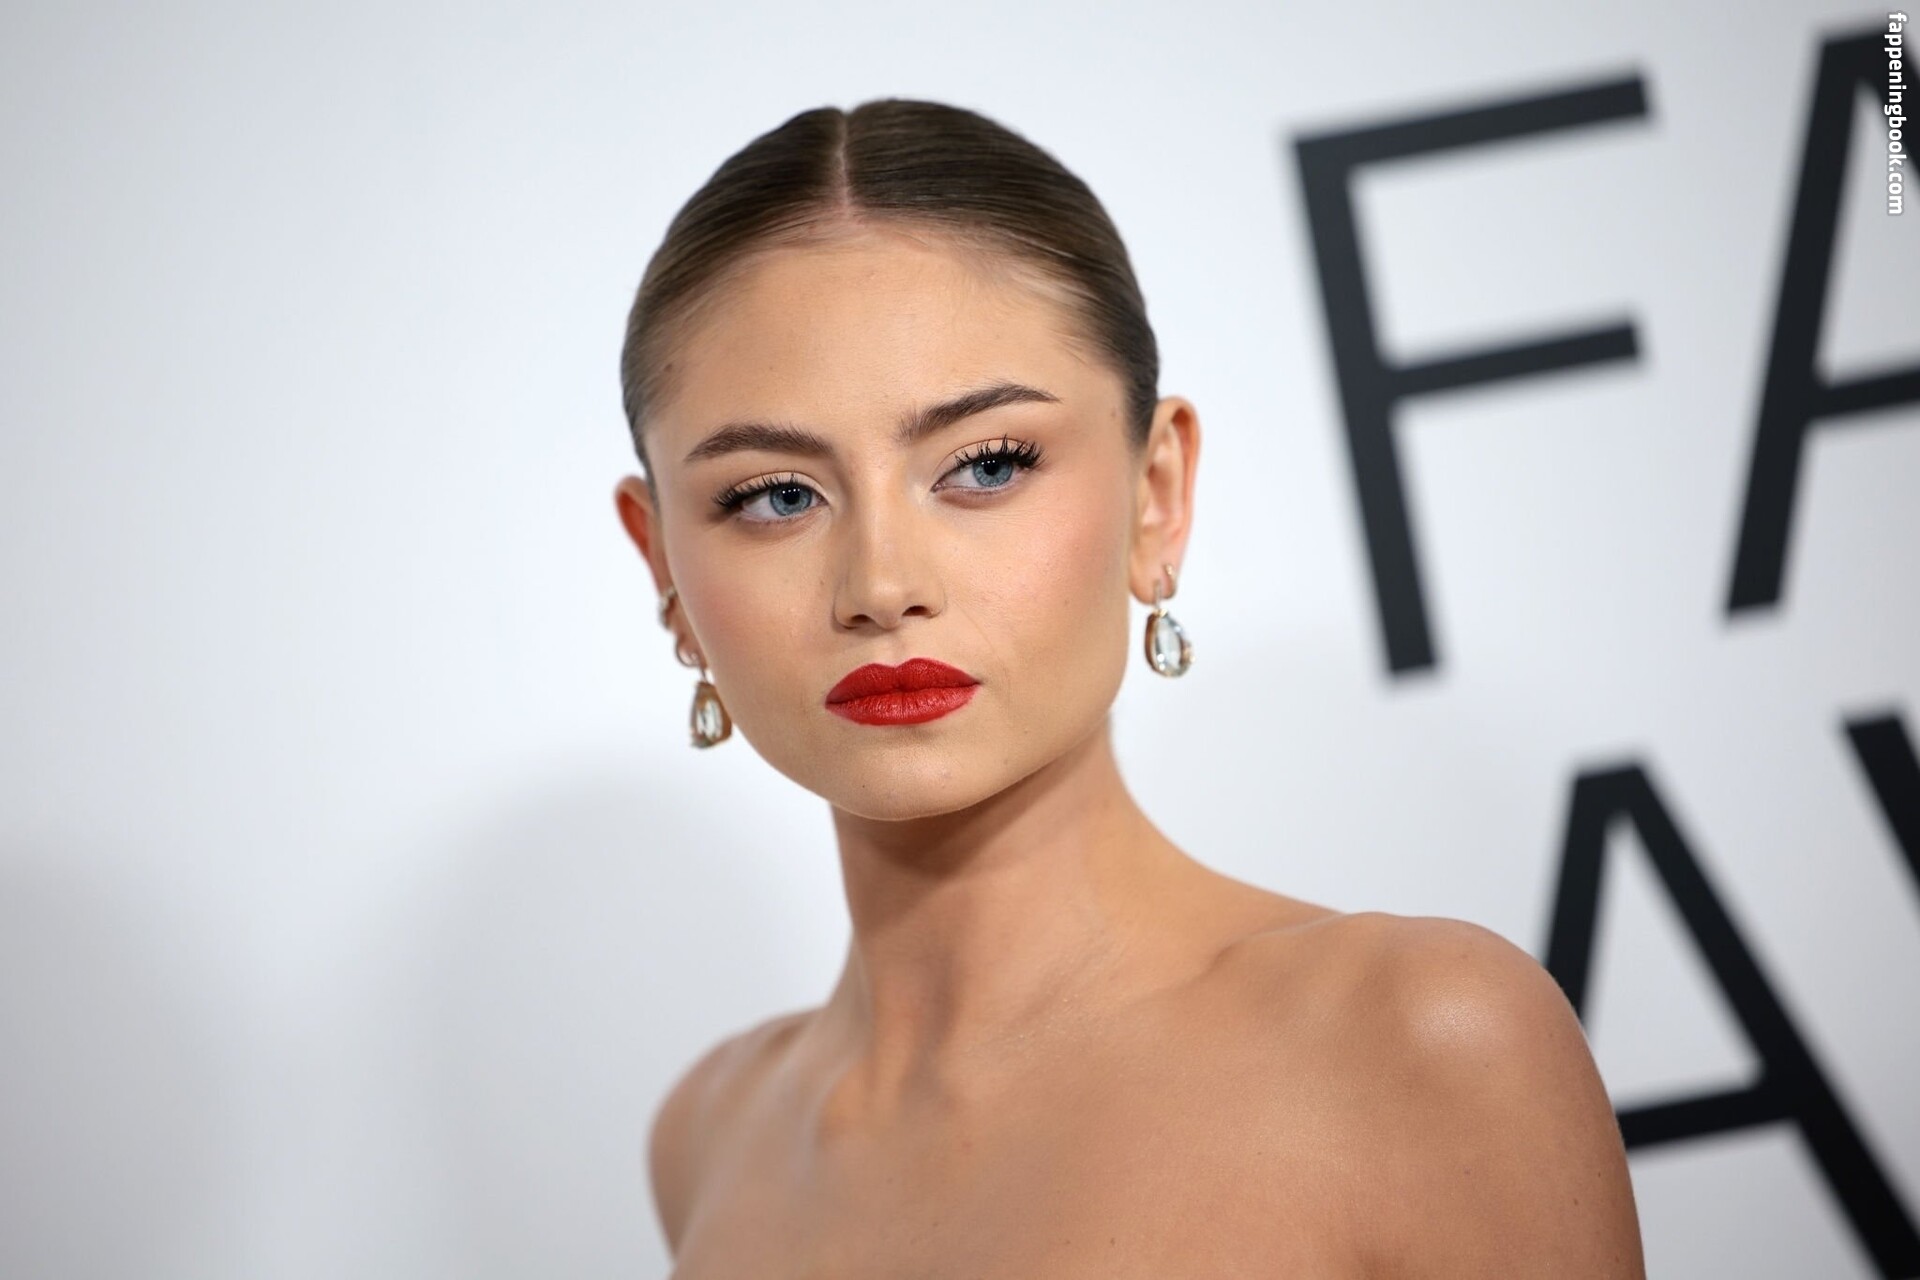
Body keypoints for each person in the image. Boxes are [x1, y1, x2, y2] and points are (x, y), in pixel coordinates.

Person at [611, 97, 1644, 1277]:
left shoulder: (1416, 1042)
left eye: (985, 466)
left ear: (1158, 494)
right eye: (776, 495)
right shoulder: (710, 1137)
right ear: (664, 567)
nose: (882, 585)